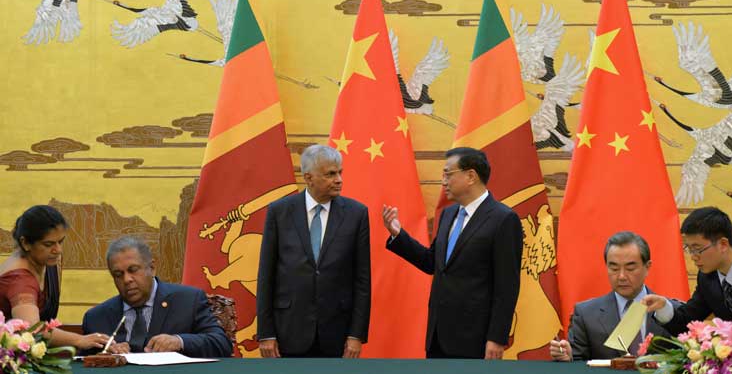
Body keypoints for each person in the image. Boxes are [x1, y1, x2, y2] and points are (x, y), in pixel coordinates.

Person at [383, 147, 522, 359]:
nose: (443, 182)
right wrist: (398, 235)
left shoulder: (503, 219)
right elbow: (433, 263)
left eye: (448, 174)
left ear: (471, 176)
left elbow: (507, 286)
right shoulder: (448, 215)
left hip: (476, 338)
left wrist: (497, 337)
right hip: (438, 334)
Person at [257, 144, 371, 358]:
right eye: (330, 174)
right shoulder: (279, 212)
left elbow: (362, 280)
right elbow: (266, 276)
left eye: (340, 172)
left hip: (337, 332)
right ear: (308, 178)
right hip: (288, 331)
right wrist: (266, 333)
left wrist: (356, 335)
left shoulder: (357, 214)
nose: (339, 179)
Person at [82, 236, 232, 357]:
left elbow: (221, 344)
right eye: (118, 275)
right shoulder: (96, 318)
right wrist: (104, 355)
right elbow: (82, 362)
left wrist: (179, 341)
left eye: (133, 270)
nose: (127, 280)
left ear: (152, 268)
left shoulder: (188, 300)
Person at [643, 207, 732, 334]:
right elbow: (687, 321)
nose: (693, 256)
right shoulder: (708, 277)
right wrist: (664, 307)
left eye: (697, 249)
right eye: (689, 249)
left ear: (723, 244)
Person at [550, 232, 675, 361]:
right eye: (614, 268)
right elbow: (577, 361)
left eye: (630, 268)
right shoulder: (586, 314)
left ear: (647, 267)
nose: (621, 276)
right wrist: (568, 358)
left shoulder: (670, 312)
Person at [0, 205, 109, 350]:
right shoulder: (20, 280)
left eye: (61, 242)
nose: (58, 250)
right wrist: (79, 340)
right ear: (25, 243)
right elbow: (33, 330)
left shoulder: (45, 260)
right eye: (49, 244)